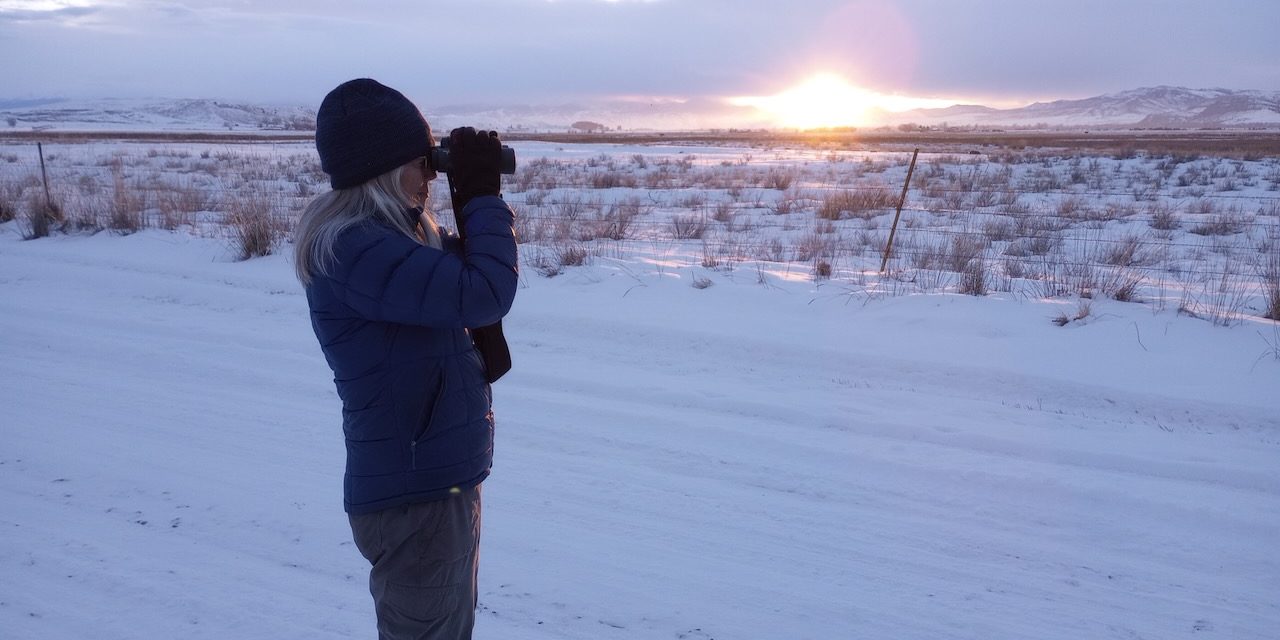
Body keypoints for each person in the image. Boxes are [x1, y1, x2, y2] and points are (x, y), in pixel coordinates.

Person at [293, 78, 518, 639]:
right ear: (388, 168)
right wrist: (484, 195)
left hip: (432, 486)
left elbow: (465, 278)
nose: (431, 176)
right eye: (425, 163)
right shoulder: (355, 248)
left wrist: (470, 200)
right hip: (415, 501)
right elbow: (484, 290)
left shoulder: (389, 240)